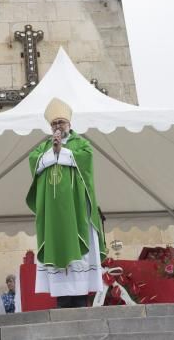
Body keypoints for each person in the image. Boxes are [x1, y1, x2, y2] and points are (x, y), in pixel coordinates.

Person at [26, 97, 106, 308]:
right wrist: (53, 151)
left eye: (61, 122)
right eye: (54, 123)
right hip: (53, 215)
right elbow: (33, 161)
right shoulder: (43, 146)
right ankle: (62, 298)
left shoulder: (82, 144)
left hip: (76, 211)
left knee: (80, 255)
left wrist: (61, 151)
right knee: (56, 247)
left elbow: (86, 159)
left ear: (69, 123)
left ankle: (80, 298)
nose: (58, 126)